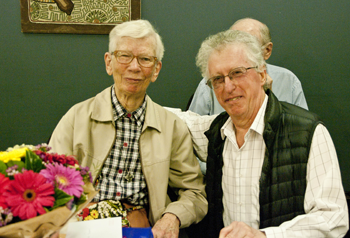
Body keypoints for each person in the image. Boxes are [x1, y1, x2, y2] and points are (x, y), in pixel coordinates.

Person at [170, 29, 348, 237]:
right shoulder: (215, 132)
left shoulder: (308, 132)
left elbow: (333, 218)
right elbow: (169, 119)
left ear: (262, 74)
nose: (228, 86)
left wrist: (264, 236)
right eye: (218, 79)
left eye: (237, 72)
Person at [48, 19, 207, 238]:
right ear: (109, 62)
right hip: (82, 226)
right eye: (124, 56)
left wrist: (172, 217)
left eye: (145, 59)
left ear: (156, 69)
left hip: (141, 228)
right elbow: (48, 182)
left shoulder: (172, 126)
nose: (134, 66)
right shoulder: (77, 117)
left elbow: (195, 193)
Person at [189, 18, 308, 117]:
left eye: (249, 44)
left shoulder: (288, 80)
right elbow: (194, 128)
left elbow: (301, 128)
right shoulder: (211, 82)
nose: (228, 87)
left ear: (267, 50)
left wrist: (269, 100)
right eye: (231, 43)